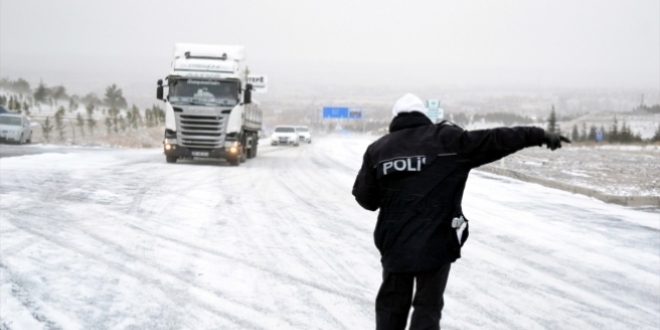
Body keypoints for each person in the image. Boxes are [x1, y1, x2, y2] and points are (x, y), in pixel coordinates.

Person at [352, 93, 570, 330]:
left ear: (395, 119)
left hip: (395, 245)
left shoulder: (378, 150)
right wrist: (538, 135)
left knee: (391, 309)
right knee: (427, 308)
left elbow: (366, 200)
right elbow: (496, 139)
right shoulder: (448, 140)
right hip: (436, 242)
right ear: (423, 116)